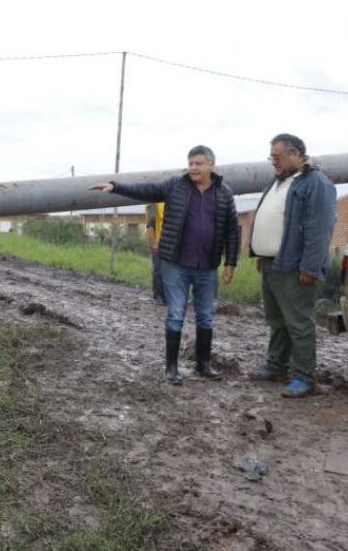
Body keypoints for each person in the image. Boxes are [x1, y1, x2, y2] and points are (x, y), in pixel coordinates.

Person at [91, 145, 240, 384]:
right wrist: (116, 187)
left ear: (211, 165)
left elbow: (233, 230)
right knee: (175, 314)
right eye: (191, 163)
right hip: (176, 264)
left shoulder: (224, 193)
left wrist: (231, 262)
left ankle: (203, 364)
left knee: (206, 317)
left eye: (199, 163)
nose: (193, 168)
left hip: (207, 267)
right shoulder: (175, 185)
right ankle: (171, 368)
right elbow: (147, 190)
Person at [249, 133, 336, 398]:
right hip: (273, 264)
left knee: (298, 322)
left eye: (278, 156)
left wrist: (310, 267)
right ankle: (276, 366)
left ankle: (304, 377)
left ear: (296, 154)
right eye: (271, 157)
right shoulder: (278, 182)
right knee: (278, 320)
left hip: (296, 266)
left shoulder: (315, 183)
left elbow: (319, 229)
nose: (273, 161)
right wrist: (262, 254)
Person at [146, 202, 166, 305]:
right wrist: (154, 243)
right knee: (159, 271)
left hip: (171, 243)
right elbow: (150, 226)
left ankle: (167, 297)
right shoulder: (154, 205)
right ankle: (158, 296)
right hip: (158, 244)